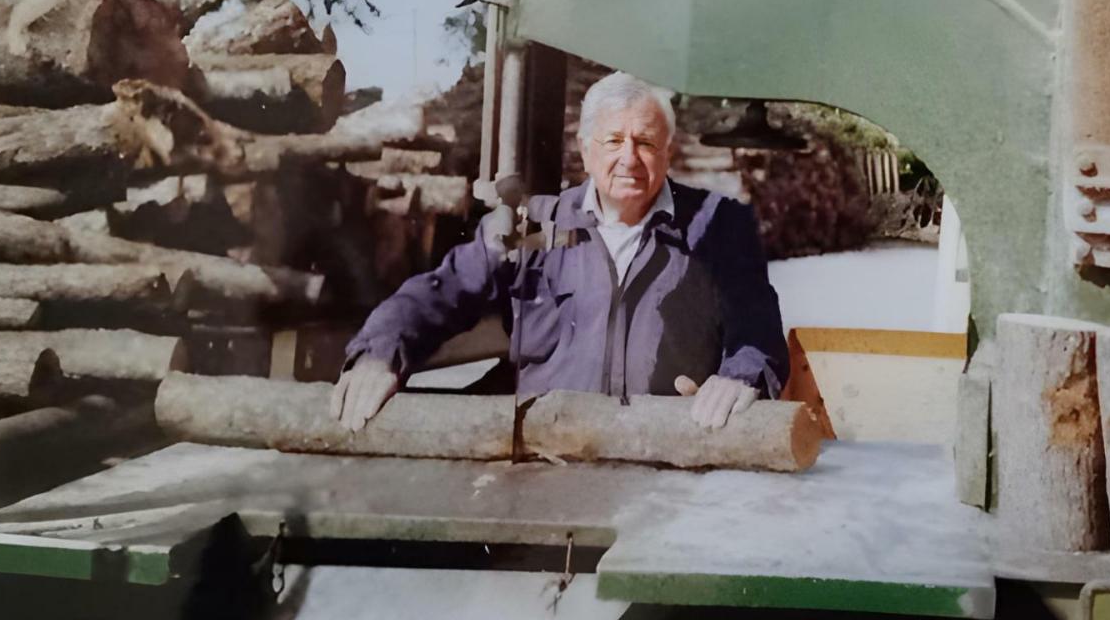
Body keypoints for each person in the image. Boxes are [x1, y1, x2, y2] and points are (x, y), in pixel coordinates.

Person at [330, 71, 789, 434]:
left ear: (667, 153)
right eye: (613, 141)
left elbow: (756, 323)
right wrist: (378, 355)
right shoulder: (534, 224)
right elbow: (440, 290)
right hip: (543, 457)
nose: (629, 158)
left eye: (646, 142)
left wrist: (740, 376)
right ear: (586, 151)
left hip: (661, 453)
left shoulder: (716, 225)